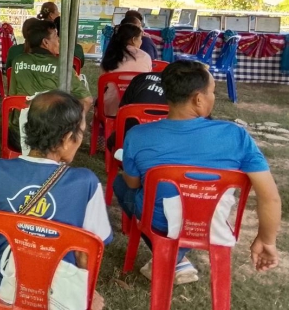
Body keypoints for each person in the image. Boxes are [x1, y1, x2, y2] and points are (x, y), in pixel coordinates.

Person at [114, 60, 281, 284]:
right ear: (198, 99)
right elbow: (269, 196)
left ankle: (171, 254)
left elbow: (133, 184)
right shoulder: (235, 135)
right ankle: (177, 256)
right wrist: (267, 240)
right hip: (210, 221)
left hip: (158, 223)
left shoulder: (137, 135)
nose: (213, 97)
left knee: (120, 183)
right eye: (213, 92)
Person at [0, 91, 110, 310]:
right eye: (80, 133)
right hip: (57, 294)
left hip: (3, 286)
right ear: (66, 139)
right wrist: (85, 292)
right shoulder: (87, 184)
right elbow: (86, 255)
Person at [7, 20, 92, 153]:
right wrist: (77, 127)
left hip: (18, 136)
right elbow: (87, 99)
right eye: (56, 36)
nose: (59, 40)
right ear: (45, 42)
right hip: (51, 140)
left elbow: (11, 97)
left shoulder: (18, 61)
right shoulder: (61, 65)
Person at [100, 23, 152, 119]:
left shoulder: (111, 55)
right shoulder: (145, 57)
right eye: (140, 38)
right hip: (137, 109)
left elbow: (104, 84)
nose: (141, 42)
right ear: (133, 39)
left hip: (110, 109)